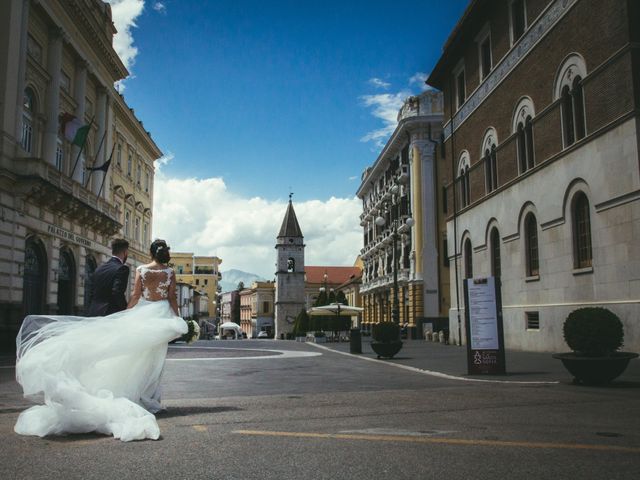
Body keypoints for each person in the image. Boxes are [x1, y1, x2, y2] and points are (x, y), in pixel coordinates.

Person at [14, 239, 187, 442]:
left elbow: (135, 295)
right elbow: (173, 297)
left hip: (142, 314)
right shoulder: (170, 273)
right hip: (161, 316)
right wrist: (178, 318)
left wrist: (125, 314)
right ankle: (152, 399)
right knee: (156, 360)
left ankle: (141, 397)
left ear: (150, 253)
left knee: (138, 357)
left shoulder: (141, 269)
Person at [86, 238, 130, 317]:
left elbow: (91, 292)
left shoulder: (99, 269)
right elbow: (117, 292)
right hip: (110, 315)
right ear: (125, 252)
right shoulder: (122, 269)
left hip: (93, 313)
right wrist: (125, 310)